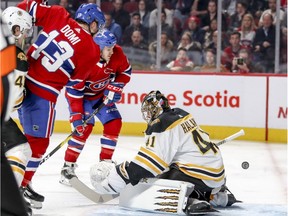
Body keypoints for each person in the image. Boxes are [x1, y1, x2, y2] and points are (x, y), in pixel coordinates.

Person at [16, 0, 105, 210]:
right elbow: (75, 85)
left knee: (18, 137)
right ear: (92, 23)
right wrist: (77, 116)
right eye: (97, 26)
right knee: (38, 145)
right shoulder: (92, 51)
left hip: (20, 77)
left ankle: (22, 182)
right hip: (41, 95)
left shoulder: (58, 13)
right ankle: (19, 187)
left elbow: (26, 7)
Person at [90, 90, 238, 214]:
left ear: (154, 110)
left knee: (152, 181)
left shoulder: (160, 124)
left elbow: (148, 166)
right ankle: (219, 196)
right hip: (218, 176)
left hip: (199, 177)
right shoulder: (181, 113)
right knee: (172, 168)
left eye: (148, 111)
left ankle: (191, 199)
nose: (147, 115)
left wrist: (123, 174)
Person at [59, 29, 132, 186]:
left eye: (112, 47)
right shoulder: (84, 60)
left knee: (114, 122)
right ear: (98, 48)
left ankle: (105, 163)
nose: (112, 52)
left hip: (100, 95)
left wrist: (116, 85)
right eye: (108, 49)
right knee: (83, 129)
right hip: (82, 98)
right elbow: (73, 91)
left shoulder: (117, 53)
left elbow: (126, 71)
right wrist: (76, 116)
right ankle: (67, 168)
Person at [1, 6, 35, 215]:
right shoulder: (16, 55)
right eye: (23, 31)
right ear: (15, 29)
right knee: (20, 149)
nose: (23, 36)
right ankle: (7, 198)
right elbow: (13, 99)